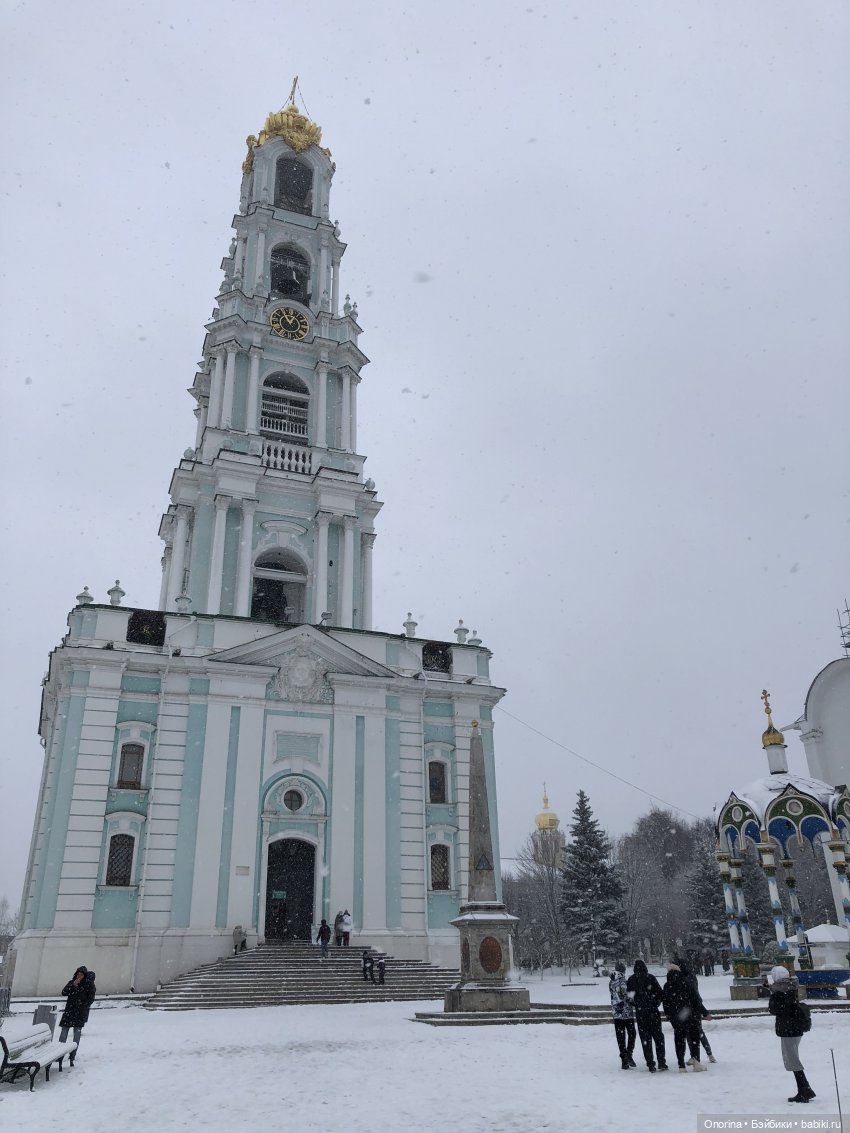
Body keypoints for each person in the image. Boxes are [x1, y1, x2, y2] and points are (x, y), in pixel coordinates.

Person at [768, 966, 815, 1103]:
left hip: (788, 1029)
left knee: (793, 1061)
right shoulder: (790, 987)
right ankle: (805, 1089)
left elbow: (774, 1009)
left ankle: (804, 1090)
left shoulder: (780, 991)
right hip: (795, 1028)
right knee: (793, 1060)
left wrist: (773, 993)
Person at [662, 963, 707, 1072]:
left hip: (677, 1018)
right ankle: (696, 1063)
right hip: (690, 1016)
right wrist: (705, 1012)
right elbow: (695, 999)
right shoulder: (686, 983)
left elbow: (665, 1003)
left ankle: (681, 1065)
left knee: (679, 1041)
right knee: (694, 1039)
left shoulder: (667, 986)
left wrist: (669, 1015)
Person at [626, 959, 667, 1072]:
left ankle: (650, 1063)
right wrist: (655, 1003)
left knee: (645, 1039)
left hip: (641, 1013)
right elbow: (660, 993)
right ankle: (662, 1062)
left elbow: (629, 998)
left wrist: (637, 1004)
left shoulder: (631, 980)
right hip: (653, 1012)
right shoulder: (651, 978)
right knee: (658, 1037)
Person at [678, 957, 716, 1062]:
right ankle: (706, 1054)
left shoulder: (684, 978)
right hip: (694, 1006)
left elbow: (691, 993)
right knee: (697, 1032)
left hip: (689, 1007)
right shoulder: (690, 976)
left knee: (694, 1032)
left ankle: (700, 1055)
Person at [58, 966, 96, 1053]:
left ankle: (73, 1054)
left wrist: (82, 1005)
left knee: (77, 1034)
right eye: (78, 974)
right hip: (69, 1011)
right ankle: (59, 1052)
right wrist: (73, 985)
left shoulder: (89, 985)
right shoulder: (72, 982)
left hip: (80, 1013)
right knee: (64, 1032)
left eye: (81, 974)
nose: (79, 976)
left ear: (84, 975)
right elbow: (64, 992)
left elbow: (90, 999)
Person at [609, 961, 636, 1069]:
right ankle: (629, 1054)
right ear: (623, 970)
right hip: (627, 1013)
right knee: (632, 1034)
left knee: (620, 1037)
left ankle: (624, 1058)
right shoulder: (626, 981)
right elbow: (630, 997)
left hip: (616, 1014)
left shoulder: (611, 982)